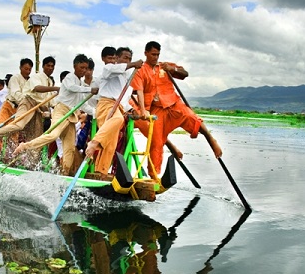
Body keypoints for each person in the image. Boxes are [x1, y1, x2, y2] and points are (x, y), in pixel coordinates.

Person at [130, 41, 222, 179]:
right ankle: (154, 176)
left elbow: (185, 74)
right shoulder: (140, 70)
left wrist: (173, 70)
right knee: (155, 141)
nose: (155, 57)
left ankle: (211, 139)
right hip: (156, 110)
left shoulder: (165, 66)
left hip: (173, 103)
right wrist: (143, 109)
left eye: (157, 54)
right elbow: (138, 90)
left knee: (191, 117)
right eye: (153, 54)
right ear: (146, 53)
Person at [12, 54, 97, 176]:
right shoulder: (69, 78)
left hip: (71, 115)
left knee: (70, 148)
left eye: (85, 68)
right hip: (61, 111)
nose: (83, 71)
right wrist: (90, 90)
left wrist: (96, 113)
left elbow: (83, 105)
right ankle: (25, 146)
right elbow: (72, 88)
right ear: (75, 66)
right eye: (81, 67)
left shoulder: (81, 85)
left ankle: (64, 174)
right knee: (53, 135)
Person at [84, 47, 143, 176]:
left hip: (118, 107)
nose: (127, 60)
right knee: (118, 119)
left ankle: (101, 173)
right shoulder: (109, 68)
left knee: (111, 145)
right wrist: (133, 64)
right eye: (125, 58)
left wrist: (132, 110)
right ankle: (94, 143)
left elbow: (123, 100)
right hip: (106, 105)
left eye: (129, 59)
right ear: (116, 58)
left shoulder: (126, 78)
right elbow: (118, 69)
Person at [0, 57, 58, 150]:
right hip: (14, 105)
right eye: (48, 65)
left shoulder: (49, 81)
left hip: (35, 108)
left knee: (34, 134)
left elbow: (50, 100)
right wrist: (56, 89)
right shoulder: (32, 77)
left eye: (52, 66)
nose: (50, 68)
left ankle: (28, 157)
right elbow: (32, 90)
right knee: (16, 127)